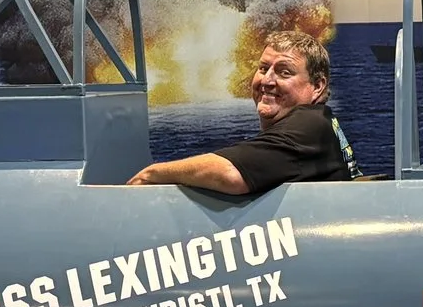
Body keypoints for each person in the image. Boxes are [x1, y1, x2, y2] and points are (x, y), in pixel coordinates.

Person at [128, 29, 353, 194]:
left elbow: (230, 174)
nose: (267, 80)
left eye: (284, 72)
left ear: (317, 86)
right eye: (263, 68)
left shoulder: (309, 124)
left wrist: (151, 174)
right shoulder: (321, 121)